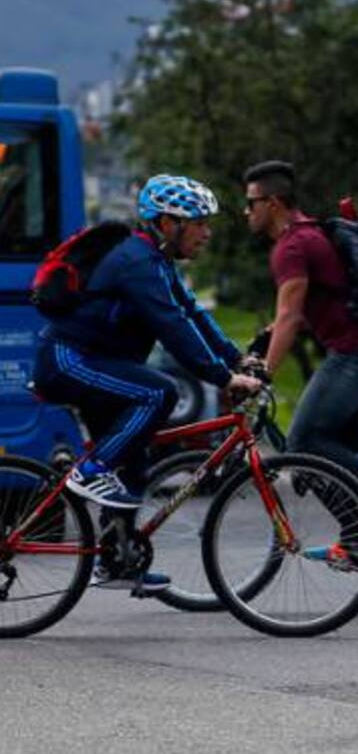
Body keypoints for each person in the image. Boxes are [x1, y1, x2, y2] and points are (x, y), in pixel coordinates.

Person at [33, 174, 262, 592]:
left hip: (98, 362)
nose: (207, 233)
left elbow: (192, 313)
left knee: (135, 462)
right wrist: (223, 378)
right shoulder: (136, 262)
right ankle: (90, 470)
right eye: (200, 223)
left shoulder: (157, 261)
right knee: (159, 391)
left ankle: (115, 561)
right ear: (168, 223)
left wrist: (235, 358)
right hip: (68, 361)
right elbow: (172, 327)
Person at [242, 160, 358, 530]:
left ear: (273, 203)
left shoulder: (291, 247)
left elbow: (289, 316)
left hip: (357, 354)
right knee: (330, 460)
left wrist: (263, 376)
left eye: (251, 203)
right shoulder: (312, 233)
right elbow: (311, 308)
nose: (246, 212)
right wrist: (265, 339)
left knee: (302, 443)